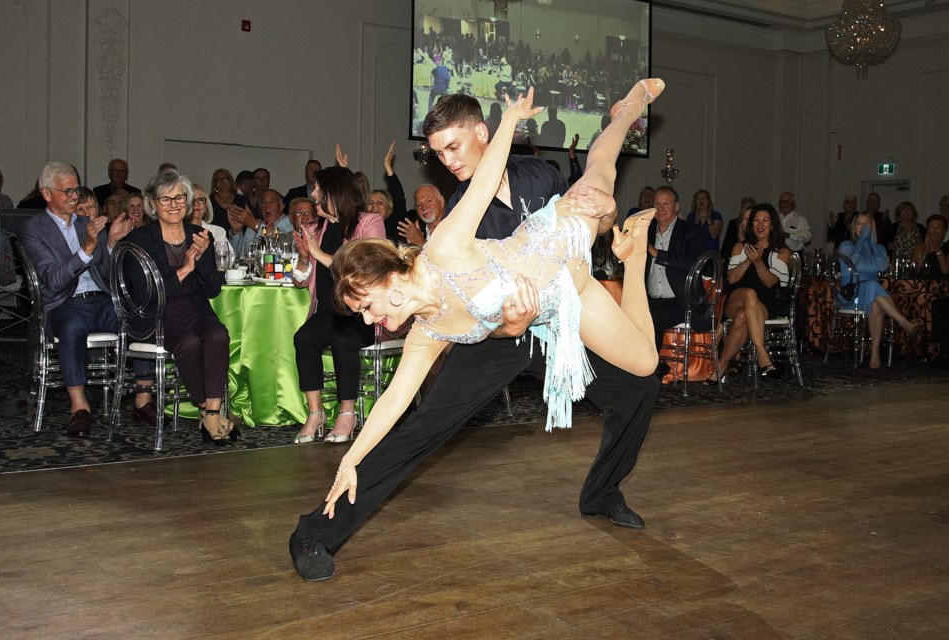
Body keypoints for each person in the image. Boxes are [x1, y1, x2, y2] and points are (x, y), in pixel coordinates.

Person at [289, 80, 664, 581]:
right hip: (491, 332)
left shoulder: (533, 174)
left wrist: (603, 212)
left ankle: (602, 492)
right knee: (420, 431)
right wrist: (350, 458)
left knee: (642, 378)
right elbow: (393, 400)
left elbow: (563, 203)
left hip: (559, 291)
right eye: (436, 153)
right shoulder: (458, 214)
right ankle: (316, 532)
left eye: (452, 147)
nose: (445, 160)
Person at [18, 161, 149, 435]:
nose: (74, 196)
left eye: (76, 189)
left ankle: (142, 399)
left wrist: (110, 243)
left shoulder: (85, 224)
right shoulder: (34, 230)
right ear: (46, 194)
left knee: (138, 317)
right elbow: (53, 280)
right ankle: (79, 406)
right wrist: (88, 248)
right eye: (67, 191)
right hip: (63, 304)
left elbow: (104, 271)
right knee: (73, 327)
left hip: (100, 299)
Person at [127, 169, 235, 445]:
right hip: (156, 314)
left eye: (179, 198)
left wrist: (203, 259)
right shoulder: (140, 240)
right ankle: (207, 412)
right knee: (188, 343)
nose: (174, 205)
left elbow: (212, 289)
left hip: (195, 309)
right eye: (166, 199)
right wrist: (185, 269)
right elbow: (145, 294)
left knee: (218, 334)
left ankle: (212, 412)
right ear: (152, 204)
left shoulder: (200, 234)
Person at [291, 166, 386, 445]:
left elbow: (367, 269)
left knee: (344, 341)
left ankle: (347, 413)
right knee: (304, 339)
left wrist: (320, 254)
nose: (314, 194)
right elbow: (299, 281)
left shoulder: (369, 222)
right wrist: (305, 258)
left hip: (362, 314)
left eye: (320, 189)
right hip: (327, 312)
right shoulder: (314, 228)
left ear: (336, 193)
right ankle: (316, 413)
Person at [709, 203, 791, 383]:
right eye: (756, 220)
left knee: (741, 318)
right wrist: (748, 260)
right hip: (736, 299)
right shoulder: (740, 247)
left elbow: (770, 282)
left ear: (772, 225)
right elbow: (731, 279)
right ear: (751, 224)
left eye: (765, 220)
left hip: (764, 305)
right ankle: (762, 353)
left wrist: (759, 262)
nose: (760, 224)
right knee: (749, 294)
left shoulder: (782, 251)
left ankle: (720, 367)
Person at [839, 212, 922, 369]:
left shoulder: (879, 248)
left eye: (867, 223)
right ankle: (903, 321)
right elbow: (852, 264)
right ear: (853, 227)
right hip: (851, 294)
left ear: (872, 226)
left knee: (876, 303)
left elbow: (883, 267)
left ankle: (875, 353)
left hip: (869, 295)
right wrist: (862, 239)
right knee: (873, 285)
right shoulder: (847, 245)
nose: (863, 227)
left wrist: (871, 244)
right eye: (859, 223)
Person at [645, 185, 708, 348]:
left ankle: (654, 368)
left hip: (681, 301)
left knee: (651, 317)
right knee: (627, 315)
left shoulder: (690, 231)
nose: (661, 209)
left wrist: (658, 254)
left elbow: (694, 263)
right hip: (650, 300)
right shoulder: (646, 231)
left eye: (666, 204)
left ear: (676, 207)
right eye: (657, 204)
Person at [227, 189, 293, 256]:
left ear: (281, 207)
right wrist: (236, 231)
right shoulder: (254, 224)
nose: (266, 206)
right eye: (263, 202)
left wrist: (255, 225)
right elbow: (239, 256)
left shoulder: (289, 221)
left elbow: (283, 245)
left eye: (272, 202)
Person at [189, 183, 233, 263]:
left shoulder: (218, 232)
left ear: (205, 207)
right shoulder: (176, 232)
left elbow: (229, 260)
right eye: (192, 200)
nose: (196, 204)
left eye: (200, 200)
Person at [209, 168, 248, 232]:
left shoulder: (242, 200)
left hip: (239, 238)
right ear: (214, 183)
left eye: (225, 179)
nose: (222, 181)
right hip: (216, 238)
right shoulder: (209, 201)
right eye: (218, 179)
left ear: (231, 181)